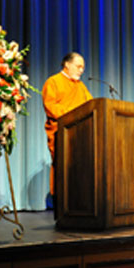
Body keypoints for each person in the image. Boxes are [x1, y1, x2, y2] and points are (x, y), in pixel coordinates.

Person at [42, 52, 93, 195]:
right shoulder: (53, 82)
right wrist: (74, 115)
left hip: (81, 132)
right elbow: (50, 106)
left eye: (83, 67)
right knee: (63, 166)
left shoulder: (81, 86)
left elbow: (91, 105)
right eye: (78, 66)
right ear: (67, 65)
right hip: (62, 131)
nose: (81, 70)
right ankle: (60, 200)